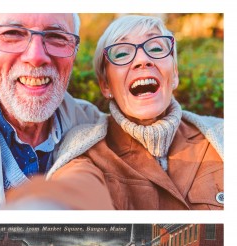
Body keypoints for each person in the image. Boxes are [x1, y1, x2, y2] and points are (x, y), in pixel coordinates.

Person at [33, 14, 224, 210]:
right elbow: (75, 189)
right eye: (122, 54)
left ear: (174, 74)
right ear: (105, 85)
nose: (142, 60)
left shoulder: (222, 135)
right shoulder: (85, 151)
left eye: (156, 48)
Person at [0, 13, 112, 210]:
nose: (35, 57)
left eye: (56, 37)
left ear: (74, 53)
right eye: (12, 33)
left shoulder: (97, 128)